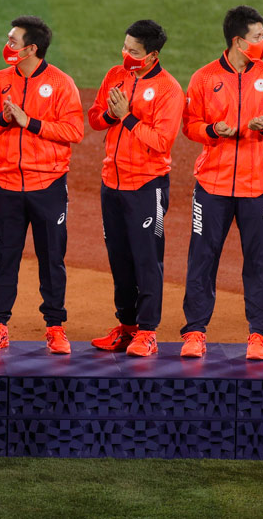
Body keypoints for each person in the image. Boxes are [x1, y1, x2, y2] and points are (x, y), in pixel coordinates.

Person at [180, 5, 263, 360]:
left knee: (260, 261)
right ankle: (195, 331)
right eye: (258, 36)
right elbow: (189, 125)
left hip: (256, 186)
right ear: (238, 41)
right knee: (202, 259)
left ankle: (259, 335)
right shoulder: (203, 78)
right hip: (211, 186)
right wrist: (213, 130)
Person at [0, 16, 83, 354]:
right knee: (5, 257)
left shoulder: (61, 84)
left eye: (13, 40)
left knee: (52, 258)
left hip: (48, 186)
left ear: (31, 48)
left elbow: (74, 131)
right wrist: (3, 119)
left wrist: (30, 122)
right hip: (6, 184)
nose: (7, 44)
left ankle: (55, 328)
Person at [86, 20, 183, 357]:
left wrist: (127, 117)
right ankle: (127, 327)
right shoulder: (116, 75)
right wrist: (111, 116)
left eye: (134, 51)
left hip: (146, 186)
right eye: (125, 47)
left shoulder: (170, 90)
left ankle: (148, 332)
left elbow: (161, 142)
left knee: (147, 259)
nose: (125, 54)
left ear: (153, 55)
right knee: (119, 259)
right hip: (111, 182)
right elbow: (95, 117)